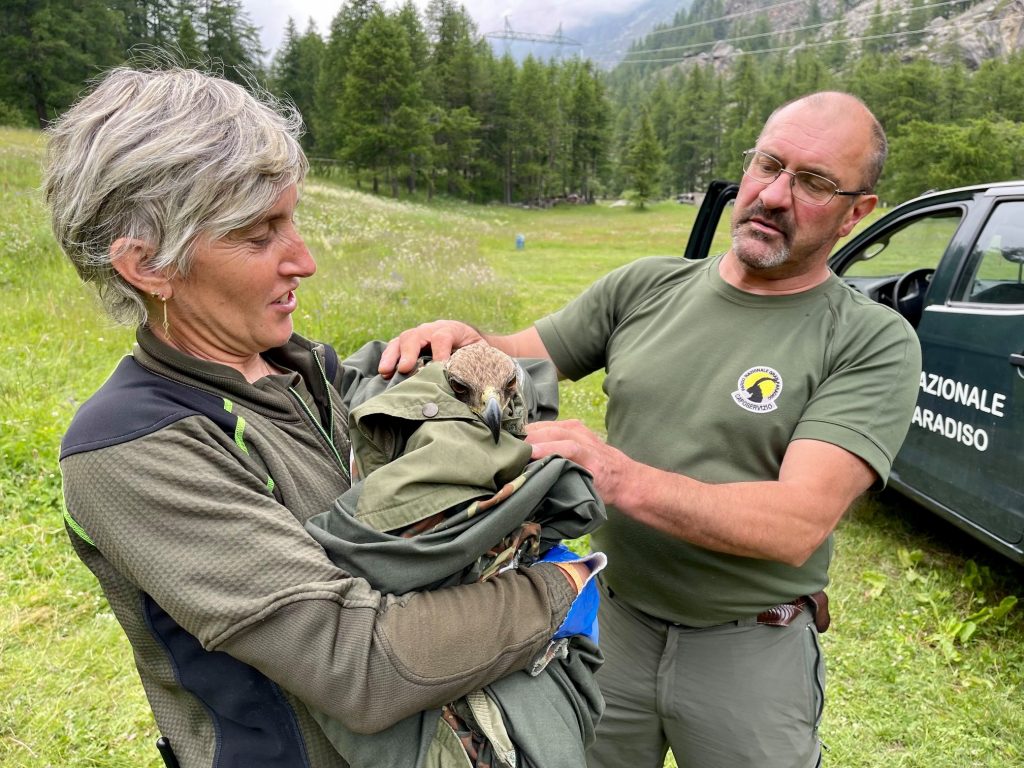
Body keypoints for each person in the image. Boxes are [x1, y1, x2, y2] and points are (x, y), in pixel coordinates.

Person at [47, 66, 599, 768]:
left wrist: (473, 359)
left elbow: (485, 403)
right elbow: (362, 666)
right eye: (258, 234)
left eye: (293, 219)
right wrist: (565, 587)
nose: (303, 260)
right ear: (147, 265)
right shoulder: (131, 450)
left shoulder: (309, 373)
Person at [379, 91, 923, 768]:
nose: (775, 195)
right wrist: (465, 342)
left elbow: (796, 522)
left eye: (812, 183)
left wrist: (615, 474)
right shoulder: (645, 288)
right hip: (612, 625)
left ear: (856, 213)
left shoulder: (870, 340)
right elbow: (517, 358)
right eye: (767, 165)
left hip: (749, 652)